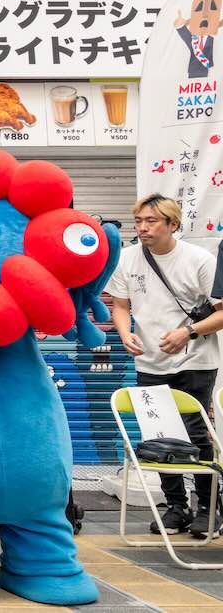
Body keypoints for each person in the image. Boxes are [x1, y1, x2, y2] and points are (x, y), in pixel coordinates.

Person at [107, 194, 223, 538]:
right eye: (139, 221)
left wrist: (187, 333)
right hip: (151, 361)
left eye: (152, 221)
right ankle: (175, 506)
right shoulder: (127, 258)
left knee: (196, 434)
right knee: (158, 436)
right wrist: (124, 332)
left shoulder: (200, 260)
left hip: (195, 361)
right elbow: (120, 304)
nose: (143, 228)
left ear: (173, 225)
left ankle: (208, 508)